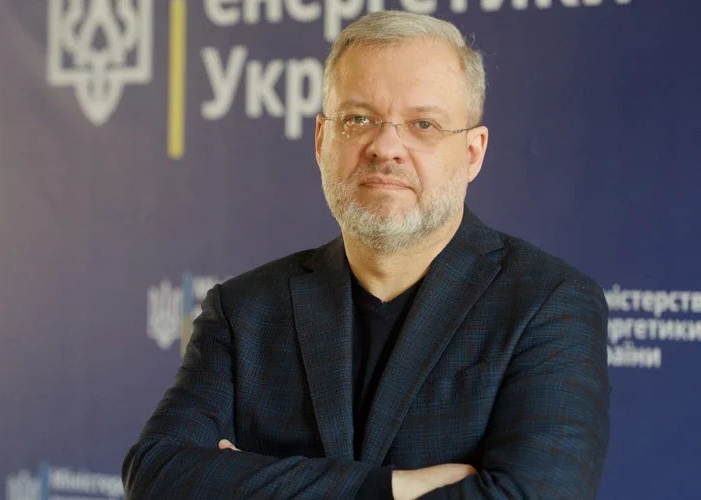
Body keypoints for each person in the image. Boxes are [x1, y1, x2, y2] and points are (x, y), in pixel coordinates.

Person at [122, 10, 610, 500]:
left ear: (472, 153)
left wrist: (251, 482)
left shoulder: (548, 305)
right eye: (359, 119)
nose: (385, 147)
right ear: (321, 140)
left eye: (423, 124)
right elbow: (156, 475)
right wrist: (390, 488)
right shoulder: (243, 312)